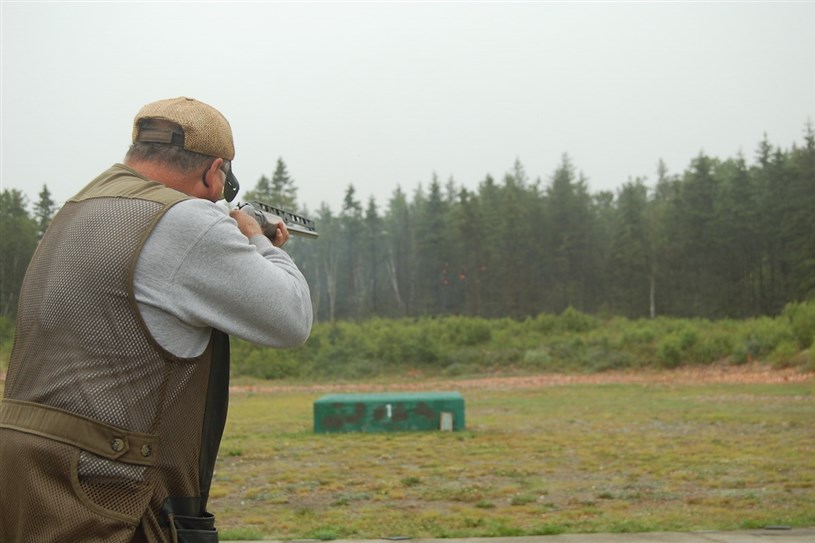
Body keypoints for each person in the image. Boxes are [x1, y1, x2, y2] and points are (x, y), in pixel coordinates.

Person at [0, 97, 314, 542]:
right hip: (113, 495)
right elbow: (291, 318)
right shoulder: (188, 218)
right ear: (214, 171)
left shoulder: (77, 207)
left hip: (27, 478)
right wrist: (257, 242)